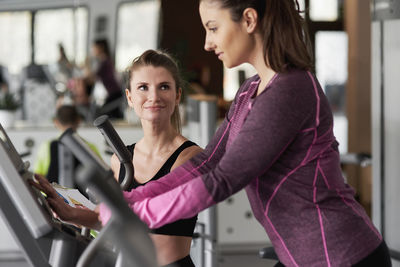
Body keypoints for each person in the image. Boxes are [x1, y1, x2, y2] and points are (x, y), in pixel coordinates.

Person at [96, 1, 391, 266]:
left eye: (213, 28)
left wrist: (138, 213)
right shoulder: (251, 90)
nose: (208, 43)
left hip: (343, 256)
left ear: (249, 20)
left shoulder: (290, 90)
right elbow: (209, 161)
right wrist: (134, 198)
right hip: (301, 257)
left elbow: (222, 180)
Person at [32, 50, 203, 267]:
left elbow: (141, 216)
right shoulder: (120, 160)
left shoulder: (190, 157)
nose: (154, 96)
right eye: (143, 87)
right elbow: (112, 222)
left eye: (164, 87)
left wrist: (100, 211)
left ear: (177, 95)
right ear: (130, 98)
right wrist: (70, 214)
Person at [34, 104, 101, 188]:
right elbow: (100, 177)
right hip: (83, 200)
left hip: (52, 198)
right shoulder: (90, 147)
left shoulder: (46, 146)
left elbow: (38, 177)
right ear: (79, 121)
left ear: (56, 122)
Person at [85, 38, 124, 119]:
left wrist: (87, 63)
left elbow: (91, 77)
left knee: (104, 113)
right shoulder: (104, 60)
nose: (93, 50)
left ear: (101, 47)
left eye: (94, 48)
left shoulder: (104, 61)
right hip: (113, 93)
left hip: (114, 94)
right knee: (111, 114)